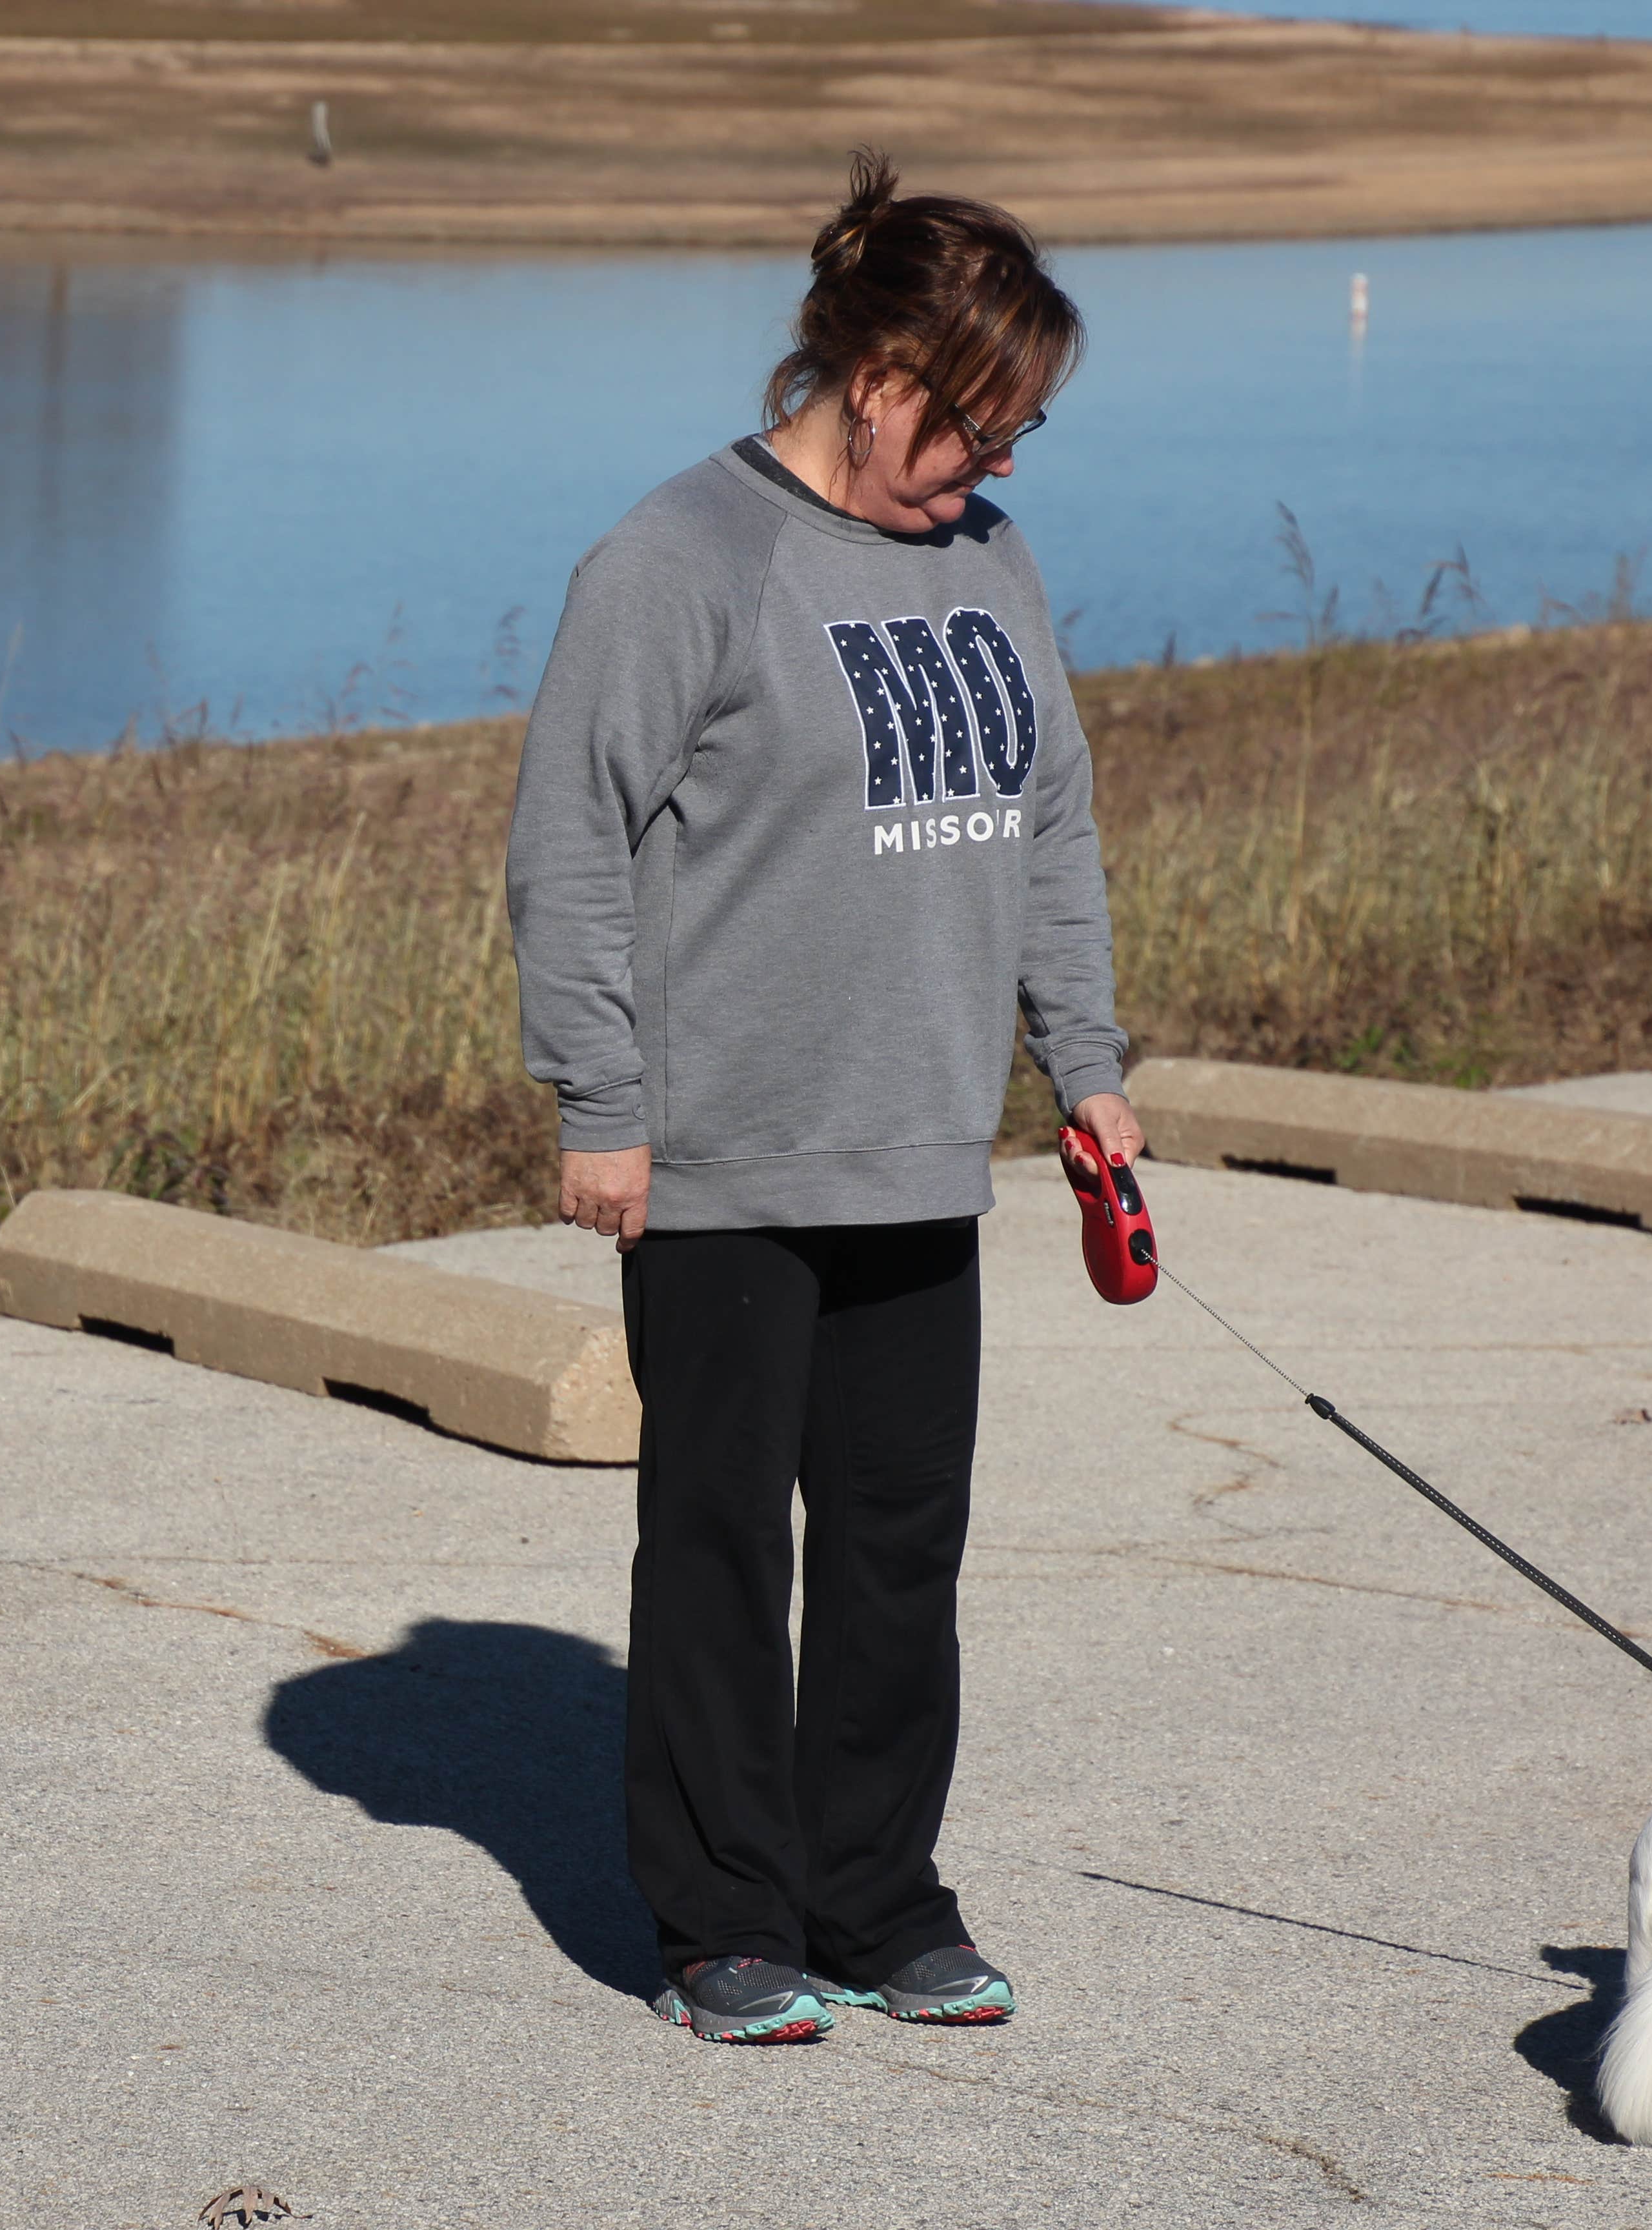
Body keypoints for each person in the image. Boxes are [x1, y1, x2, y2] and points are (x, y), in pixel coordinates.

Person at [503, 151, 1143, 2044]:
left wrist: (1083, 1071)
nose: (995, 472)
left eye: (1019, 438)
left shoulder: (988, 562)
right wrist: (598, 1102)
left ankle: (876, 1895)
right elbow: (572, 848)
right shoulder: (678, 560)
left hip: (919, 1146)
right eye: (976, 429)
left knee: (895, 1551)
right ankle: (723, 1918)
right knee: (718, 1542)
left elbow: (1047, 823)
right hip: (722, 1158)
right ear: (877, 379)